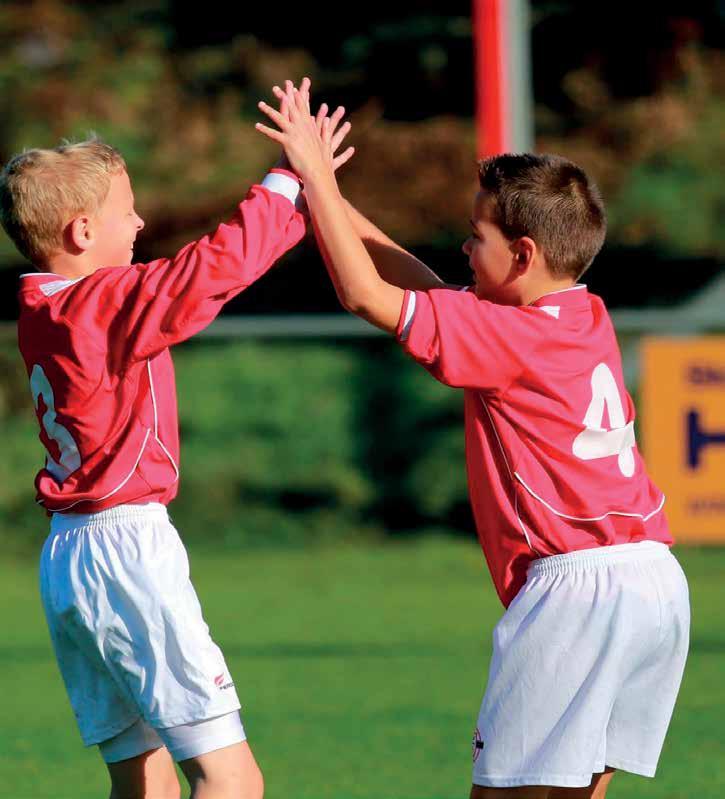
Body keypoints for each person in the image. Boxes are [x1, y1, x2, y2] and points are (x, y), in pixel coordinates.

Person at [255, 80, 690, 799]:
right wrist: (321, 190)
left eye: (475, 234)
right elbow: (418, 287)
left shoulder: (509, 335)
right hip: (652, 580)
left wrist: (318, 186)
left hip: (575, 589)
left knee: (500, 794)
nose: (461, 244)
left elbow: (366, 295)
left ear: (520, 255)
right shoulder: (576, 314)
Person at [1, 120, 352, 799]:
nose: (138, 222)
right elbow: (210, 270)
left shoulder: (43, 306)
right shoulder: (98, 303)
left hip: (68, 554)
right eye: (125, 210)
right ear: (80, 232)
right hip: (126, 552)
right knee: (231, 778)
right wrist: (286, 178)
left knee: (146, 782)